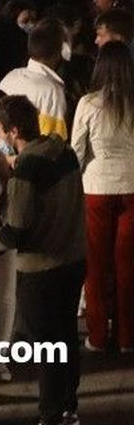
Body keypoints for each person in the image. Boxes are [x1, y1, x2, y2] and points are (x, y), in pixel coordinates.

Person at [0, 94, 85, 425]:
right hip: (73, 261)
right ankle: (68, 406)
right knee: (66, 338)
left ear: (12, 132)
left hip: (41, 270)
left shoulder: (27, 169)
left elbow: (16, 232)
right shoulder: (64, 153)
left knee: (47, 347)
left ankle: (50, 413)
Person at [71, 42, 134, 352]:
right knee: (128, 265)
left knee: (96, 265)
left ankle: (97, 336)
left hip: (96, 188)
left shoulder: (89, 103)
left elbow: (77, 151)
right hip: (132, 188)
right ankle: (127, 337)